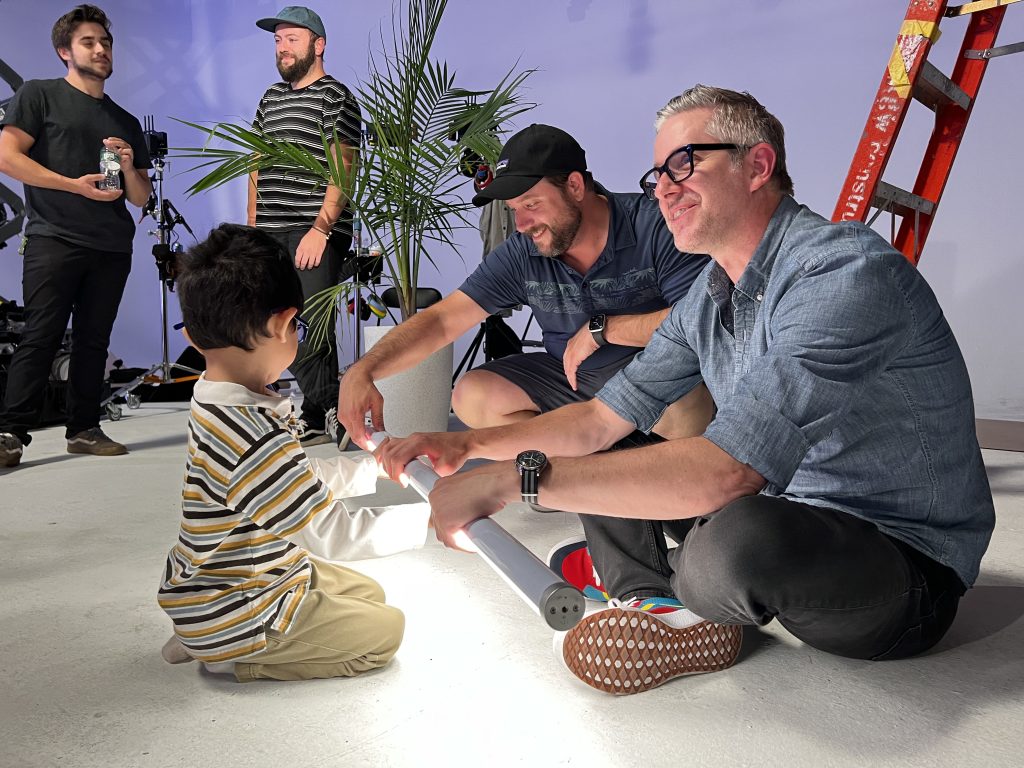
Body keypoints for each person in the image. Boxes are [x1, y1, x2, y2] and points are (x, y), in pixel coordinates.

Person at [374, 85, 995, 695]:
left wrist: (513, 480)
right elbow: (599, 420)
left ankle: (688, 585)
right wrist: (465, 446)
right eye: (658, 174)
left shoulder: (841, 272)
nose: (665, 188)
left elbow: (729, 472)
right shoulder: (711, 292)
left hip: (901, 564)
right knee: (615, 453)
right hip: (781, 505)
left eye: (685, 163)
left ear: (758, 165)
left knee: (732, 545)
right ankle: (657, 602)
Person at [157, 223, 429, 682]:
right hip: (241, 602)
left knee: (369, 594)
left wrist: (372, 470)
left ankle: (201, 629)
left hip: (226, 574)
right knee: (387, 631)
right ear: (283, 325)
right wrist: (432, 520)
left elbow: (293, 477)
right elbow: (333, 535)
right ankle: (230, 652)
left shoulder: (214, 395)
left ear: (193, 338)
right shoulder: (251, 436)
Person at [337, 123, 712, 446]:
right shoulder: (523, 251)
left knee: (687, 406)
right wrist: (363, 370)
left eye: (531, 204)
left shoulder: (656, 226)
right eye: (514, 210)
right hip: (571, 381)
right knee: (472, 395)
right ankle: (582, 463)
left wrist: (604, 329)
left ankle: (635, 470)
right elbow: (443, 320)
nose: (521, 225)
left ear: (575, 186)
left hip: (649, 374)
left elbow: (702, 319)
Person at [0, 4, 152, 467]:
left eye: (106, 42)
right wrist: (72, 185)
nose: (101, 49)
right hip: (53, 236)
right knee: (41, 335)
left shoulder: (125, 120)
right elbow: (7, 157)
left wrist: (129, 166)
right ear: (64, 51)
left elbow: (140, 197)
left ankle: (84, 429)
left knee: (93, 340)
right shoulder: (39, 94)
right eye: (89, 42)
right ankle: (9, 433)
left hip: (111, 244)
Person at [249, 6, 362, 445]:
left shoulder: (336, 97)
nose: (282, 48)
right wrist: (253, 227)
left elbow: (344, 167)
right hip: (270, 228)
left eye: (292, 39)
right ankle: (321, 414)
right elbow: (255, 163)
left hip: (313, 228)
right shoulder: (270, 98)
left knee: (310, 326)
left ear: (319, 45)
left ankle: (335, 408)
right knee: (271, 322)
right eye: (278, 40)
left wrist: (321, 229)